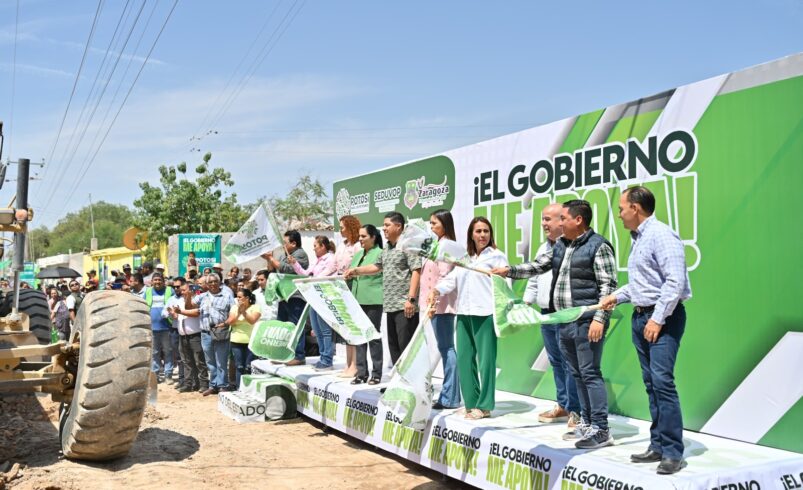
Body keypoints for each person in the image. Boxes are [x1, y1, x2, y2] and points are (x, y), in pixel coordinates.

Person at [492, 200, 617, 449]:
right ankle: (587, 422)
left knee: (590, 373)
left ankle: (602, 429)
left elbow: (609, 287)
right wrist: (508, 271)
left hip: (585, 321)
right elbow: (538, 266)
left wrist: (599, 319)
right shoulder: (561, 245)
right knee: (576, 373)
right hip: (564, 321)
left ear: (578, 220)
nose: (559, 223)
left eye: (563, 218)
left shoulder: (598, 246)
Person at [601, 186, 692, 475]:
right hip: (641, 317)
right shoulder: (639, 239)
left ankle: (673, 452)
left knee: (663, 382)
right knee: (652, 384)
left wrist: (657, 319)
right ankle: (658, 445)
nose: (619, 213)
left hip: (661, 319)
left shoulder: (661, 235)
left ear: (636, 208)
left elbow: (674, 282)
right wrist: (618, 295)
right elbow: (644, 284)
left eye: (621, 208)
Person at [428, 217, 508, 420]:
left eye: (486, 231)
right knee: (465, 359)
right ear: (471, 234)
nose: (482, 235)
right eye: (478, 231)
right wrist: (436, 290)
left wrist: (499, 279)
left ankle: (485, 405)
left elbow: (507, 284)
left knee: (486, 362)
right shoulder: (465, 258)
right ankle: (471, 403)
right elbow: (452, 280)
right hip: (463, 312)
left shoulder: (497, 257)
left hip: (485, 313)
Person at [523, 203, 582, 428]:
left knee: (571, 363)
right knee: (556, 362)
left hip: (565, 313)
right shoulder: (542, 248)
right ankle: (563, 404)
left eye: (548, 219)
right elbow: (534, 278)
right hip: (546, 314)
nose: (544, 224)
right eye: (543, 219)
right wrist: (526, 302)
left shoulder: (572, 247)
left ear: (562, 220)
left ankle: (576, 410)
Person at [346, 212, 422, 366]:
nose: (384, 228)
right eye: (384, 225)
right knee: (394, 348)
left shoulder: (409, 245)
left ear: (398, 226)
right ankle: (396, 383)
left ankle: (410, 386)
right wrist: (356, 271)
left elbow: (416, 271)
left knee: (406, 348)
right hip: (390, 305)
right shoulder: (386, 248)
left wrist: (411, 299)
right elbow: (376, 267)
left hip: (405, 306)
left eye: (387, 225)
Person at [419, 209, 461, 410]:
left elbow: (445, 276)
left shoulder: (446, 246)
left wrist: (434, 301)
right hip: (433, 304)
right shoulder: (437, 244)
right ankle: (450, 395)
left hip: (441, 305)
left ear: (445, 224)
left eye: (434, 223)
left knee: (447, 348)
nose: (431, 226)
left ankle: (450, 397)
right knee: (445, 348)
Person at [288, 235, 337, 371]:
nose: (313, 248)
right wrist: (294, 263)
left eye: (315, 246)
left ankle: (327, 359)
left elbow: (322, 276)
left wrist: (311, 279)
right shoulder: (317, 261)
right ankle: (323, 358)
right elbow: (305, 273)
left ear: (323, 246)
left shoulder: (331, 259)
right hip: (314, 298)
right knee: (317, 330)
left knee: (325, 331)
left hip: (324, 298)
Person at [264, 230, 310, 366]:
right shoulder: (284, 255)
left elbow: (287, 269)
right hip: (283, 296)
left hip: (295, 295)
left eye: (285, 243)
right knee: (283, 327)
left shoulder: (300, 254)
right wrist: (269, 259)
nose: (282, 246)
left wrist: (272, 259)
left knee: (295, 326)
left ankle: (299, 355)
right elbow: (273, 270)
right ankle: (283, 355)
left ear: (294, 243)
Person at [347, 224, 384, 384]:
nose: (360, 239)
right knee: (359, 337)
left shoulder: (380, 253)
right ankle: (361, 373)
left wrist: (355, 271)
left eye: (364, 236)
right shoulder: (358, 254)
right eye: (359, 236)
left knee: (373, 336)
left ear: (373, 237)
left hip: (373, 300)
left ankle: (376, 373)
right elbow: (350, 271)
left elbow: (374, 270)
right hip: (356, 300)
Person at [188, 274, 234, 396]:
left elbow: (233, 313)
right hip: (206, 333)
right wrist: (187, 295)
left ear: (219, 283)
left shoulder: (227, 296)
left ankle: (223, 385)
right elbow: (189, 306)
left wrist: (225, 324)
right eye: (210, 282)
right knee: (210, 362)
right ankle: (213, 385)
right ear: (207, 285)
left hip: (221, 332)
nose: (213, 284)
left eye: (215, 282)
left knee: (221, 361)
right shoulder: (202, 297)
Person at [168, 279, 209, 393]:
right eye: (181, 290)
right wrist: (173, 314)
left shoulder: (196, 300)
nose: (182, 292)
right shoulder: (180, 301)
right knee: (186, 361)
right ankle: (189, 384)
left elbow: (196, 313)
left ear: (190, 290)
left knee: (199, 361)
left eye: (184, 290)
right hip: (183, 335)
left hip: (195, 335)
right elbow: (178, 316)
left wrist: (180, 312)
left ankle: (203, 384)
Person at [335, 215, 362, 378]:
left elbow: (359, 267)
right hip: (341, 286)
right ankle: (348, 364)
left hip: (352, 286)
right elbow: (334, 265)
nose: (340, 230)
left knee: (353, 326)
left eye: (342, 227)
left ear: (351, 227)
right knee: (346, 327)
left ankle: (356, 365)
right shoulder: (342, 245)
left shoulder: (358, 246)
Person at [226, 288, 262, 387]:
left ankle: (249, 388)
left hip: (251, 342)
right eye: (237, 297)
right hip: (236, 341)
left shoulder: (256, 307)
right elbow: (231, 321)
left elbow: (252, 321)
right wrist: (239, 311)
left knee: (248, 367)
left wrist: (244, 312)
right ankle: (239, 388)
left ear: (247, 298)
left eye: (240, 297)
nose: (238, 299)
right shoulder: (234, 307)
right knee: (239, 366)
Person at [146, 273, 174, 383]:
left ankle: (168, 375)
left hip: (167, 327)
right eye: (155, 280)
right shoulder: (148, 291)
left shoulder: (169, 291)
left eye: (159, 280)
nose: (157, 282)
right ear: (152, 281)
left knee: (168, 351)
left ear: (163, 281)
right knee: (155, 352)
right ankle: (156, 375)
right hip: (152, 328)